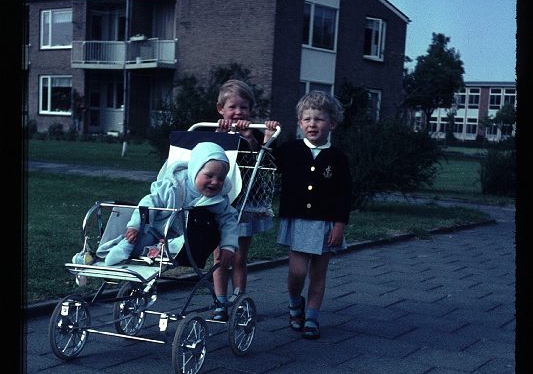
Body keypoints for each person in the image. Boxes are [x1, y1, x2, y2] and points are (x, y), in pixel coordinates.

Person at [273, 91, 352, 340]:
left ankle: (312, 317)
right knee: (297, 272)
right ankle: (295, 304)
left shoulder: (338, 159)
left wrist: (339, 225)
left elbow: (344, 194)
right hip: (297, 221)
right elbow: (266, 158)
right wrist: (266, 137)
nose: (312, 124)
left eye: (319, 119)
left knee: (318, 273)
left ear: (332, 123)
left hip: (325, 224)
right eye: (306, 119)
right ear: (299, 123)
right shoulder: (290, 150)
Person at [98, 142, 239, 268]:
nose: (215, 182)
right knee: (138, 237)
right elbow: (149, 202)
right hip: (156, 229)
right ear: (195, 170)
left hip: (183, 239)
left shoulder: (219, 200)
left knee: (184, 242)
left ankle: (157, 249)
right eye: (209, 176)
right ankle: (122, 249)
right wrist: (136, 225)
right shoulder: (173, 187)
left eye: (220, 179)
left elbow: (229, 221)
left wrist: (228, 246)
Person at [211, 79, 280, 320]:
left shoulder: (254, 133)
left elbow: (260, 161)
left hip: (246, 201)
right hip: (221, 201)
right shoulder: (216, 130)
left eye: (244, 107)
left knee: (239, 256)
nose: (239, 112)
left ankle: (239, 298)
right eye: (233, 107)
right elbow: (210, 158)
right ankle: (220, 302)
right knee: (220, 256)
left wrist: (252, 137)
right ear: (221, 109)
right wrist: (222, 135)